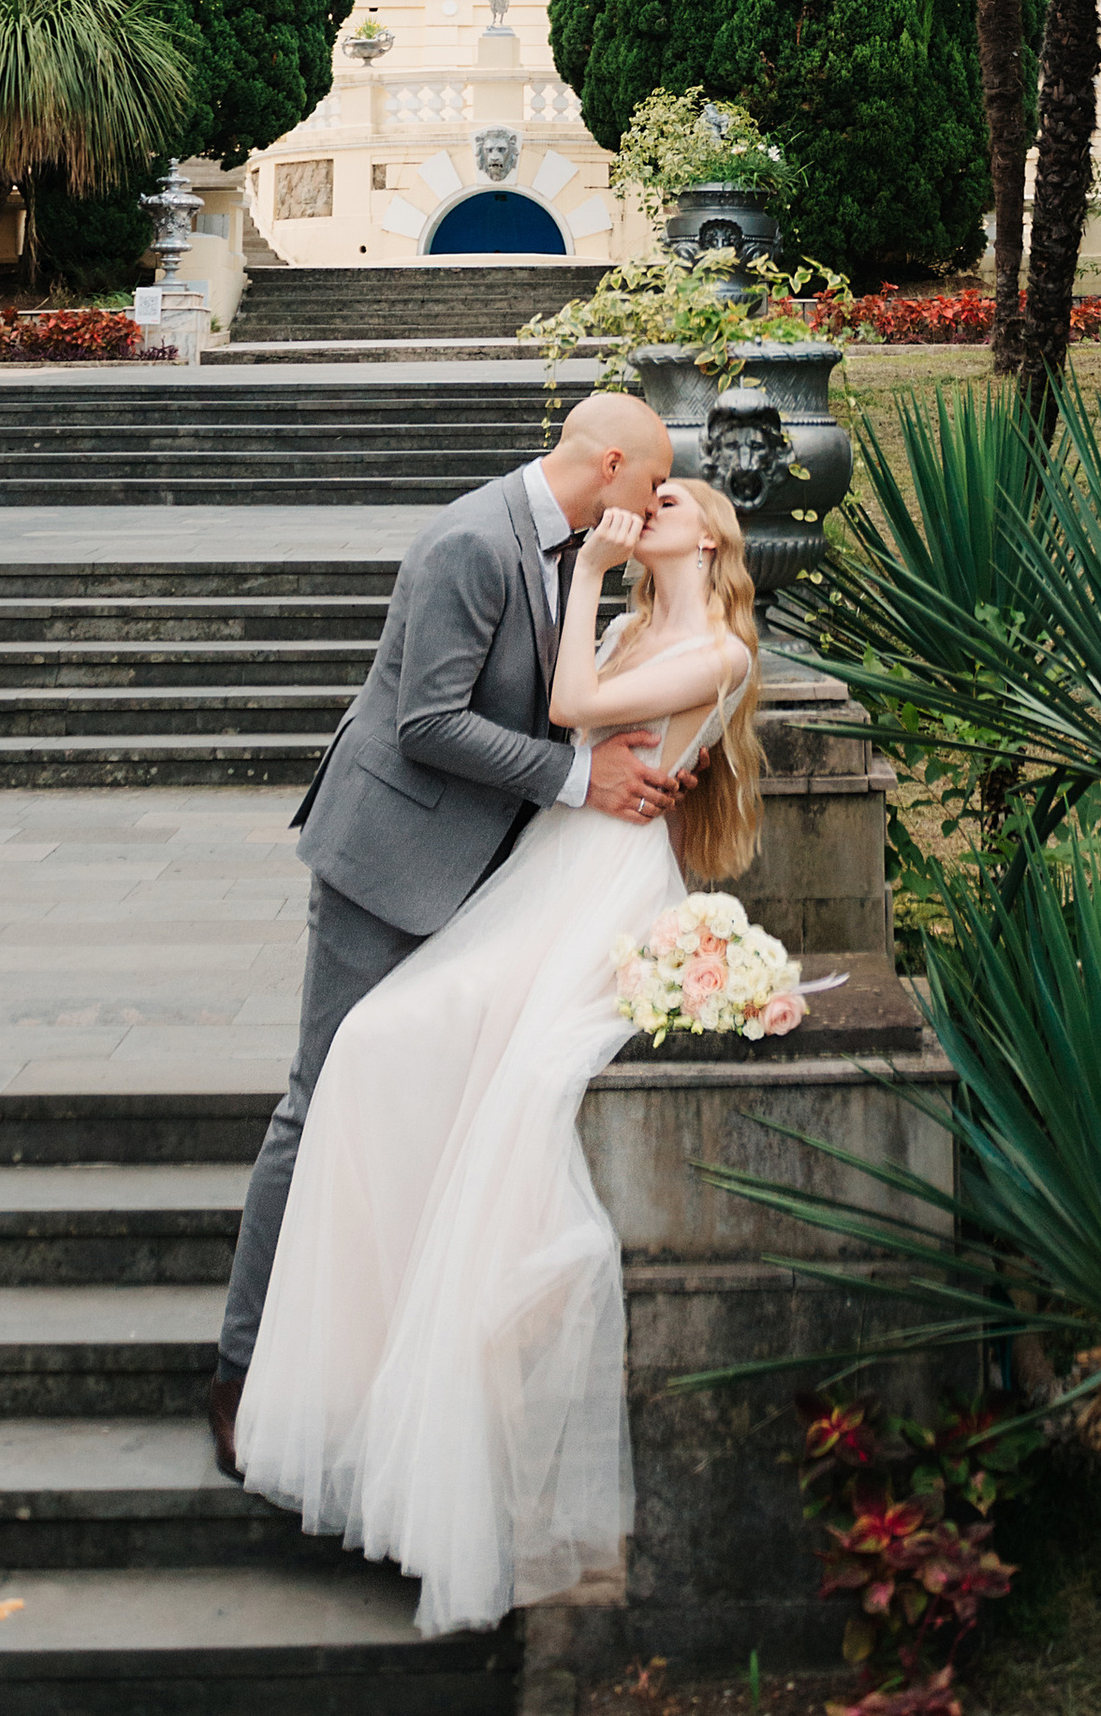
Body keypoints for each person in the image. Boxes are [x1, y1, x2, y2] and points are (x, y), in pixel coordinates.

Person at [234, 468, 765, 1635]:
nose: (653, 508)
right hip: (542, 871)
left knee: (450, 1075)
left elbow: (574, 705)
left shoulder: (718, 648)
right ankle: (332, 1374)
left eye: (675, 502)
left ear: (714, 535)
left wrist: (579, 575)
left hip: (601, 887)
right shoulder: (632, 616)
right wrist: (599, 590)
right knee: (373, 1051)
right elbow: (558, 712)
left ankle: (419, 1397)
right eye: (652, 490)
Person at [208, 388, 685, 1474]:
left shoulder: (572, 549)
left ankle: (364, 1351)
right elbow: (429, 723)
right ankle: (239, 1370)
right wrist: (578, 779)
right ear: (606, 460)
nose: (656, 499)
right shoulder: (473, 540)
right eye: (651, 479)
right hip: (389, 861)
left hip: (480, 873)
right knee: (318, 1098)